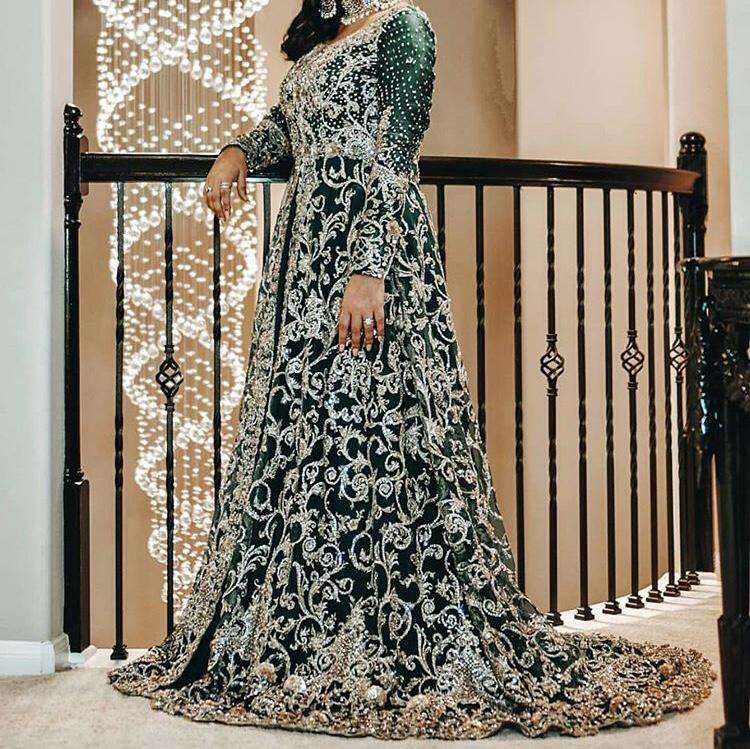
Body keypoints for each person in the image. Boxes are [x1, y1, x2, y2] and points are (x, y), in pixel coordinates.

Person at [110, 0, 715, 739]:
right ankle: (302, 631)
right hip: (303, 262)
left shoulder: (404, 28)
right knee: (309, 440)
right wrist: (238, 149)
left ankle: (385, 629)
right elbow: (289, 128)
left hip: (368, 258)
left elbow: (396, 154)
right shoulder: (322, 37)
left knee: (374, 432)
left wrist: (369, 268)